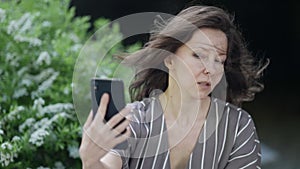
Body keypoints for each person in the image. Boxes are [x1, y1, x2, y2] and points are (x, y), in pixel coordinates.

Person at [79, 5, 269, 169]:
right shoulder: (135, 119)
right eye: (198, 55)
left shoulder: (237, 127)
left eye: (219, 61)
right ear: (169, 59)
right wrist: (90, 160)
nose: (210, 69)